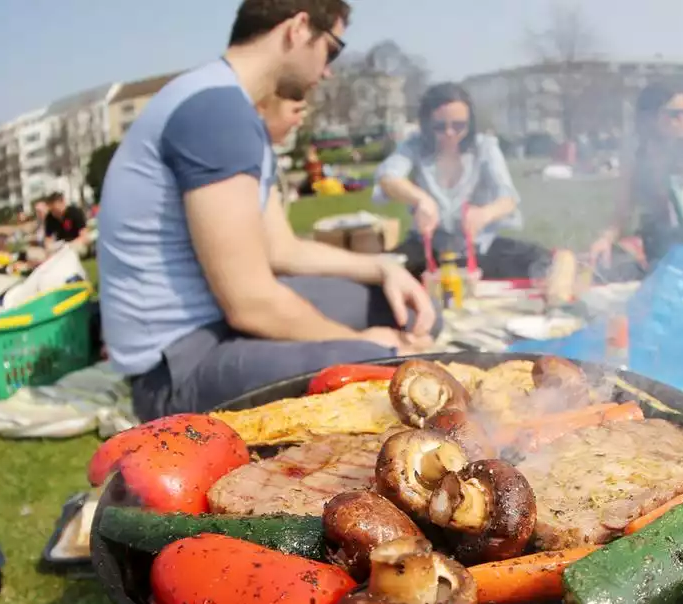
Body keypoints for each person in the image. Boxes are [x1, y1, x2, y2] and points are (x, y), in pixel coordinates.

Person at [98, 0, 439, 423]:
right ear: (298, 28)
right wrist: (362, 343)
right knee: (396, 364)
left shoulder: (234, 109)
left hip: (221, 328)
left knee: (409, 312)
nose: (329, 68)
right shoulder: (215, 112)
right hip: (175, 371)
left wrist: (383, 268)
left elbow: (282, 250)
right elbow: (251, 302)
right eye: (332, 48)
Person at [375, 82, 550, 280]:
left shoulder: (484, 147)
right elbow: (388, 178)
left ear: (470, 123)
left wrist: (484, 214)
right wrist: (421, 199)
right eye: (440, 127)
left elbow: (508, 197)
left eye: (459, 126)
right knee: (379, 271)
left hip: (479, 249)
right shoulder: (414, 146)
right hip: (426, 249)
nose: (450, 133)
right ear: (426, 124)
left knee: (540, 261)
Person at [589, 82, 683, 277]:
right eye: (674, 114)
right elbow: (620, 216)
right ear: (650, 118)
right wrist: (605, 239)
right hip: (655, 244)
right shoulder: (636, 159)